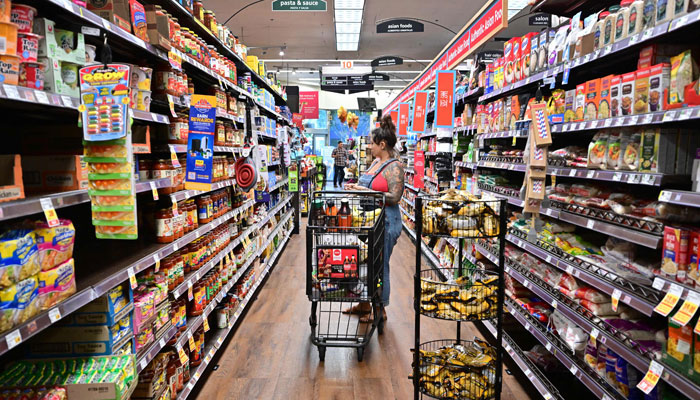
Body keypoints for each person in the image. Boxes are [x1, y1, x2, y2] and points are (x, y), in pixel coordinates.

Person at [343, 115, 404, 323]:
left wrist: (364, 192)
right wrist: (355, 188)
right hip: (371, 221)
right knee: (368, 263)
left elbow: (395, 197)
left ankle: (380, 310)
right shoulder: (377, 163)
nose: (369, 146)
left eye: (372, 143)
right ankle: (364, 304)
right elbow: (368, 187)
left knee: (379, 265)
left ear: (382, 144)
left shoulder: (394, 167)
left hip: (386, 222)